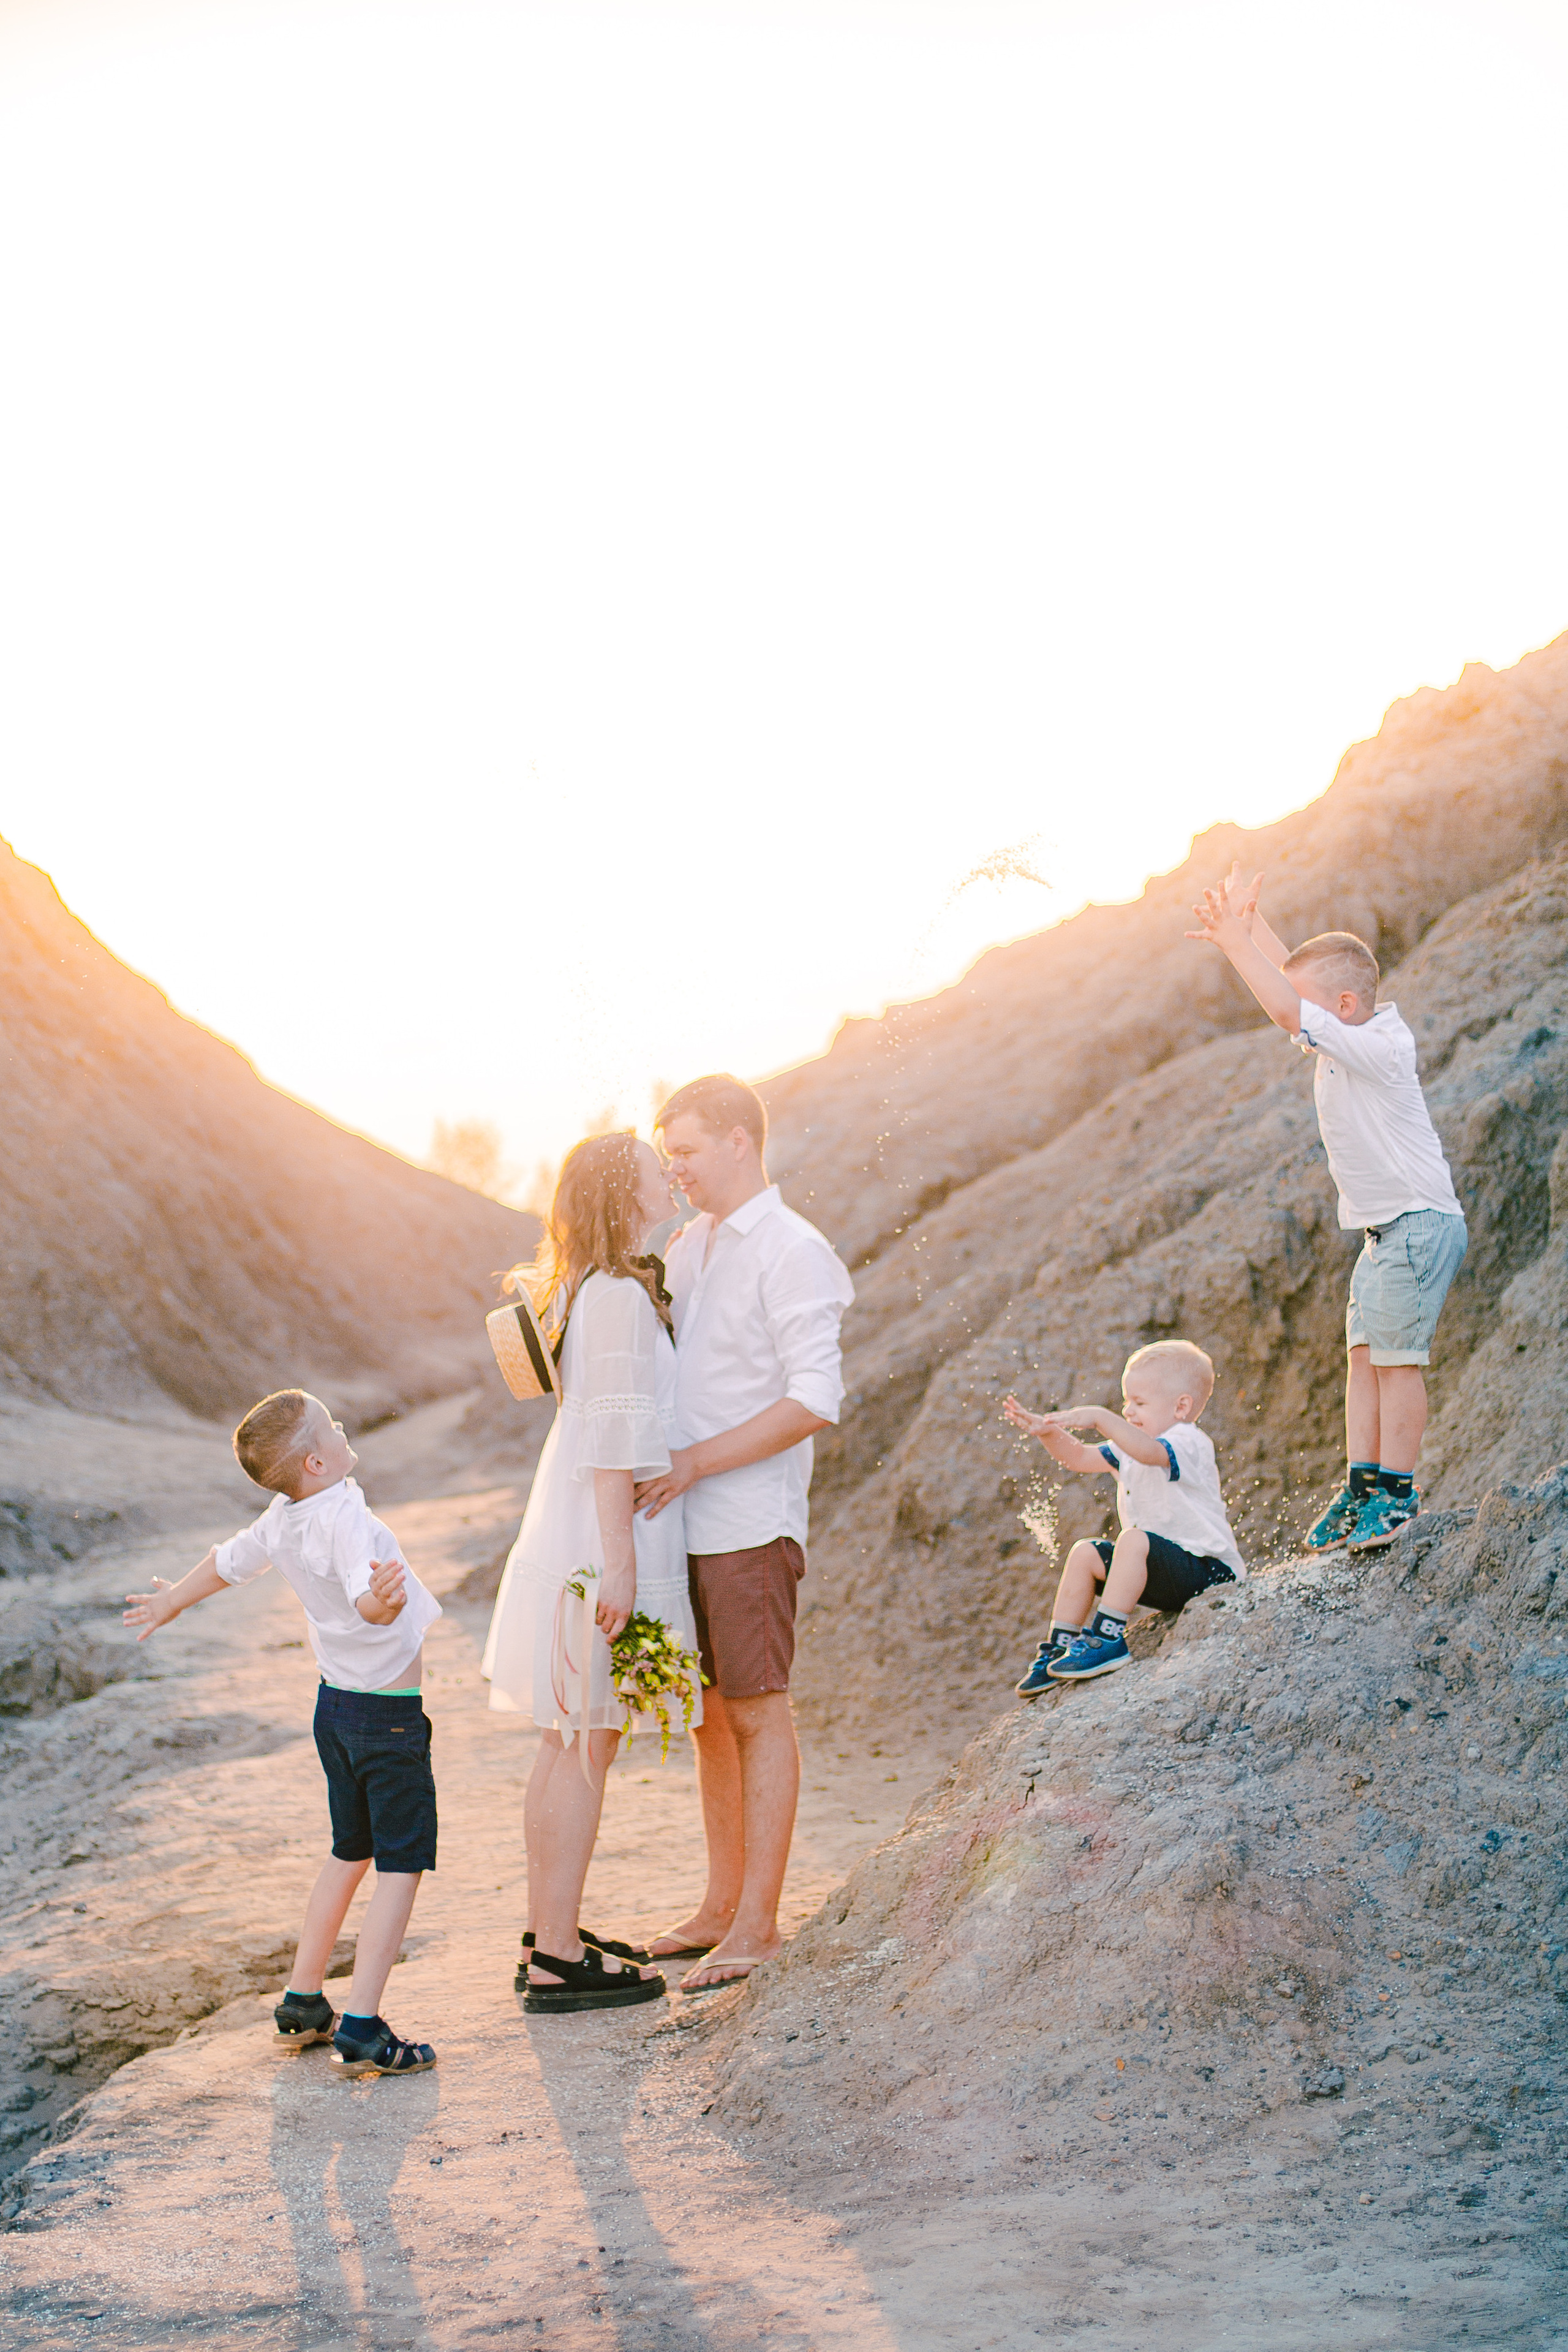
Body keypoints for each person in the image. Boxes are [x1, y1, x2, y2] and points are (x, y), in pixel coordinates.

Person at [122, 1391, 441, 2077]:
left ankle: (303, 2003)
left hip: (336, 1711)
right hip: (387, 1719)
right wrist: (380, 1606)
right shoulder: (346, 1515)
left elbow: (228, 1561)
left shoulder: (284, 1515)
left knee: (348, 1851)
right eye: (332, 1426)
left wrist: (172, 1599)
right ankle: (361, 2028)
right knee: (401, 1865)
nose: (344, 1426)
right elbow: (364, 1592)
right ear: (319, 1460)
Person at [635, 1073, 854, 1991]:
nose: (673, 1167)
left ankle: (759, 1926)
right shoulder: (693, 1246)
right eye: (666, 1153)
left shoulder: (794, 1250)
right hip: (684, 1522)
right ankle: (719, 1908)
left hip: (750, 1521)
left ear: (737, 1140)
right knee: (710, 1719)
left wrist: (694, 1464)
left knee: (759, 1713)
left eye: (683, 1148)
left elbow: (815, 1399)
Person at [481, 1131, 699, 2013]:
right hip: (598, 1541)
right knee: (582, 1740)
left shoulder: (596, 1287)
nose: (669, 1177)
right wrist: (619, 1563)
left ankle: (549, 1932)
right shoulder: (613, 1296)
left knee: (567, 1739)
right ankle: (559, 1955)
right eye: (656, 1168)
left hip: (583, 1530)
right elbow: (612, 1433)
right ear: (624, 1191)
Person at [1189, 864, 1468, 1551]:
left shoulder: (1377, 1044)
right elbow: (1294, 993)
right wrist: (1250, 922)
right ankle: (1363, 1484)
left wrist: (1232, 944)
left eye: (1316, 1010)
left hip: (1418, 1222)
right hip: (1383, 1233)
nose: (1300, 1023)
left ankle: (1395, 1499)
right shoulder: (1342, 1029)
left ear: (1343, 1005)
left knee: (1398, 1363)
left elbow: (1289, 1006)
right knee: (1364, 1359)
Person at [1005, 1340, 1244, 1687]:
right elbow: (1079, 1458)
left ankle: (1108, 1639)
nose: (1128, 1412)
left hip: (1209, 1573)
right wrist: (1049, 1433)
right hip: (1163, 1573)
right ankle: (1060, 1647)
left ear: (1181, 1407)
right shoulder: (1130, 1446)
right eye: (1125, 1402)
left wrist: (1102, 1418)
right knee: (1086, 1552)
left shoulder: (1188, 1441)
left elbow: (1149, 1452)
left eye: (1140, 1403)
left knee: (1132, 1539)